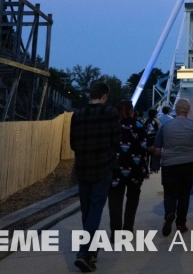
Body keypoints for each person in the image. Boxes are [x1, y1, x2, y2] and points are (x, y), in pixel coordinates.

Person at [69, 81, 120, 273]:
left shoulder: (78, 115)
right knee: (96, 209)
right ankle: (84, 252)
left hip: (83, 167)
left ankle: (90, 251)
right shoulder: (110, 113)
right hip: (102, 167)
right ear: (105, 96)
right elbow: (116, 139)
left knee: (87, 210)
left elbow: (73, 143)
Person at [152, 98, 193, 236]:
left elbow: (157, 148)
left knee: (169, 193)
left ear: (176, 110)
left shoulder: (165, 126)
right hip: (189, 164)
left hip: (169, 165)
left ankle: (169, 213)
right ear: (188, 110)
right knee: (184, 194)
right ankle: (180, 224)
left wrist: (155, 165)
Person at [108, 100, 149, 239]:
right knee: (132, 198)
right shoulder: (138, 125)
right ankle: (128, 228)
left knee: (115, 201)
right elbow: (144, 145)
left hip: (115, 169)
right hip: (135, 169)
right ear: (131, 110)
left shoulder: (112, 125)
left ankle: (115, 232)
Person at [143, 108, 161, 173]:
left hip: (147, 139)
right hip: (155, 139)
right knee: (154, 153)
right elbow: (160, 130)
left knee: (147, 154)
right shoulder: (157, 121)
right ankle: (153, 167)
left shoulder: (146, 121)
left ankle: (146, 166)